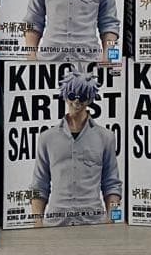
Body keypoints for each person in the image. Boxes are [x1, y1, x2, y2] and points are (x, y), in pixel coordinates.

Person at [30, 71, 122, 227]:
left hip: (94, 223)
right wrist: (37, 222)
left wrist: (112, 218)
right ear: (65, 96)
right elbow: (39, 184)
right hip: (55, 223)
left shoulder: (106, 137)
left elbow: (112, 184)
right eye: (72, 95)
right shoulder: (47, 138)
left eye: (83, 96)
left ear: (90, 99)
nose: (77, 101)